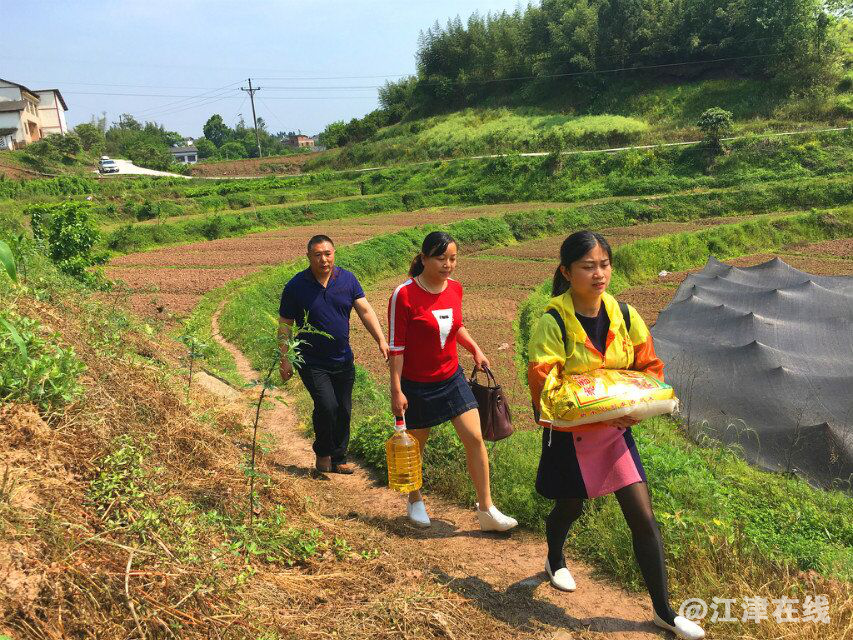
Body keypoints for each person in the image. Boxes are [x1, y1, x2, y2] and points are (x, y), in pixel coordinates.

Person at [526, 231, 705, 640]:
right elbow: (544, 387)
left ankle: (664, 611)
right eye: (588, 266)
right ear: (566, 272)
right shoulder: (552, 321)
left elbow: (649, 368)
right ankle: (555, 556)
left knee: (643, 517)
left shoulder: (625, 314)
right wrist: (599, 407)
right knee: (570, 507)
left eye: (604, 264)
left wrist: (633, 409)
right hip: (573, 434)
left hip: (615, 433)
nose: (598, 273)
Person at [387, 231, 517, 532]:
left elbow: (456, 326)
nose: (448, 265)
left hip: (451, 377)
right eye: (441, 258)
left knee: (474, 438)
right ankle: (415, 499)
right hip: (416, 384)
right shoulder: (404, 295)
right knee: (416, 446)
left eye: (453, 259)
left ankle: (486, 509)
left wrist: (476, 350)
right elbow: (396, 348)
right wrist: (396, 389)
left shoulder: (455, 289)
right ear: (424, 259)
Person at [279, 235, 389, 474]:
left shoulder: (347, 280)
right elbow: (285, 325)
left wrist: (381, 340)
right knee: (327, 405)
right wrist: (285, 358)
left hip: (343, 358)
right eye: (317, 255)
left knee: (344, 409)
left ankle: (339, 457)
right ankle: (323, 451)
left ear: (334, 254)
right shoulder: (296, 286)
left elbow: (365, 311)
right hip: (311, 361)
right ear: (308, 257)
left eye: (327, 253)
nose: (323, 259)